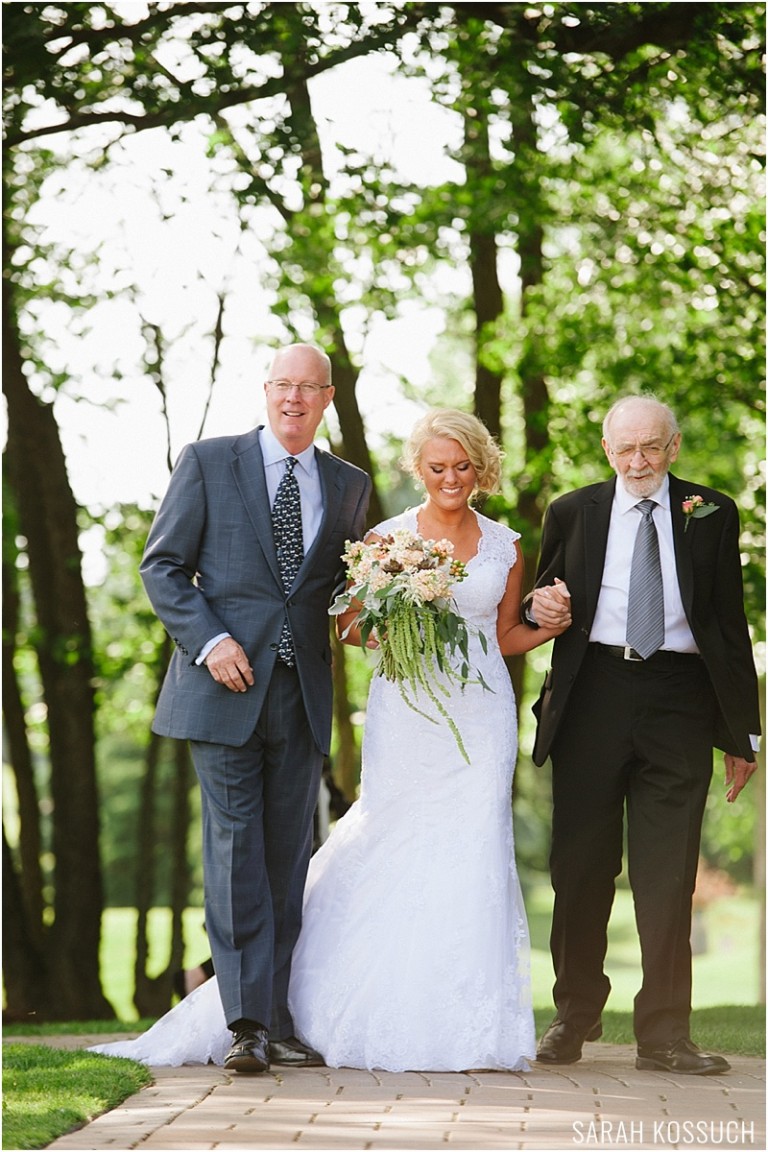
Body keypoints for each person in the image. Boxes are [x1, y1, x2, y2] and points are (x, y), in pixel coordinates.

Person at [90, 408, 571, 1073]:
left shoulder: (507, 544)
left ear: (481, 467)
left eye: (463, 466)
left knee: (473, 850)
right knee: (389, 840)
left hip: (482, 713)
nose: (450, 478)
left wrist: (548, 625)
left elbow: (504, 637)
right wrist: (399, 624)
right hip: (408, 709)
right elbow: (345, 625)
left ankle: (462, 1022)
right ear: (418, 469)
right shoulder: (384, 537)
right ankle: (308, 1008)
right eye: (437, 467)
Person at [126, 342, 371, 1074]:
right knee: (235, 857)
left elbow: (348, 588)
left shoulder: (349, 483)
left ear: (327, 397)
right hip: (222, 692)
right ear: (266, 392)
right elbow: (162, 566)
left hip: (300, 697)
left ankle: (281, 1017)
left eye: (309, 388)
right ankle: (246, 1026)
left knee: (285, 862)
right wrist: (210, 642)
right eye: (282, 386)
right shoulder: (209, 462)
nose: (294, 399)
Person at [523, 394, 760, 1076]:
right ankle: (574, 1014)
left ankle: (663, 1034)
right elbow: (544, 599)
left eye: (650, 448)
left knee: (667, 872)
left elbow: (725, 622)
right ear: (607, 451)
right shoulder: (572, 511)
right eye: (624, 449)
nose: (637, 462)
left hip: (680, 700)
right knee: (581, 867)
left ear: (673, 447)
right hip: (593, 695)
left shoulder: (711, 511)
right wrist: (543, 603)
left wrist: (742, 733)